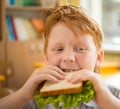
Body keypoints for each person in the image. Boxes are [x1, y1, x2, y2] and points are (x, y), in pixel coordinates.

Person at [0, 5, 120, 109]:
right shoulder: (37, 98)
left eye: (80, 49)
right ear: (46, 58)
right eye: (59, 49)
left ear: (98, 57)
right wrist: (23, 95)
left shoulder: (113, 95)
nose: (68, 58)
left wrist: (110, 103)